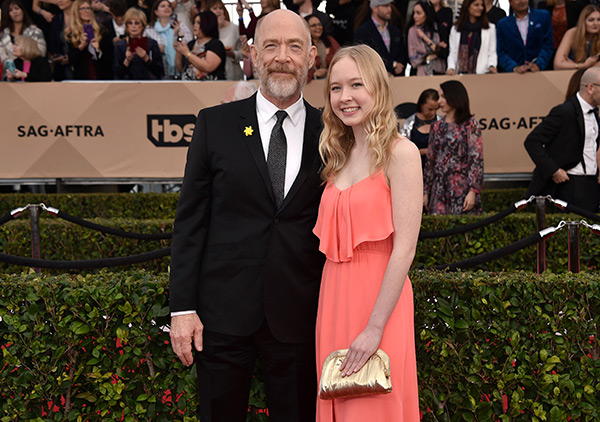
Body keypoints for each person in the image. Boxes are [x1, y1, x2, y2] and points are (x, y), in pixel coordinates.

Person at [169, 9, 324, 422]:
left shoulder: (333, 135)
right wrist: (182, 308)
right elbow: (190, 222)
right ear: (251, 54)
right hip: (221, 316)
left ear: (312, 58)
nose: (282, 56)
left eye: (295, 46)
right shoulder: (214, 125)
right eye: (270, 45)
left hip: (301, 317)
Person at [314, 44, 421, 421]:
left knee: (372, 406)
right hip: (333, 299)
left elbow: (405, 249)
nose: (345, 97)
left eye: (356, 85)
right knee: (338, 400)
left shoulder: (401, 153)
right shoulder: (337, 157)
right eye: (336, 88)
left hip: (379, 304)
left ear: (377, 88)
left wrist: (374, 327)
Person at [524, 67, 600, 212]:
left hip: (591, 186)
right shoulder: (564, 112)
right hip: (569, 185)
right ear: (590, 88)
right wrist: (554, 170)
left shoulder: (595, 115)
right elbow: (532, 141)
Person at [424, 80, 484, 214]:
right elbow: (430, 160)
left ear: (455, 97)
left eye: (443, 97)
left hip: (462, 189)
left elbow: (476, 159)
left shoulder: (470, 125)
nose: (439, 101)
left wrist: (473, 191)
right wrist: (426, 191)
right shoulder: (437, 126)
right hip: (439, 190)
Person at [496, 0, 554, 73]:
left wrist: (538, 65)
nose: (522, 1)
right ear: (510, 2)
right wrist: (514, 68)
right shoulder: (503, 24)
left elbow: (548, 45)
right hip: (514, 75)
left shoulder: (543, 16)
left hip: (540, 72)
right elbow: (501, 52)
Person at [354, 0, 408, 76]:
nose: (390, 9)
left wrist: (399, 66)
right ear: (375, 8)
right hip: (373, 80)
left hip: (398, 80)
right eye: (385, 6)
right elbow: (364, 58)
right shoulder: (362, 32)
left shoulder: (396, 32)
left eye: (390, 6)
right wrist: (393, 64)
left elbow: (403, 55)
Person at [65, 0, 114, 79]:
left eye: (88, 8)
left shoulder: (102, 30)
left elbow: (110, 58)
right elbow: (71, 60)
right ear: (76, 12)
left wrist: (99, 50)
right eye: (83, 8)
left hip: (102, 77)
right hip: (82, 78)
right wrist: (81, 46)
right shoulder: (71, 33)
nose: (87, 11)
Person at [447, 0, 497, 75]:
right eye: (476, 5)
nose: (480, 8)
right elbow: (453, 53)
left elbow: (492, 52)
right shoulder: (455, 29)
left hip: (483, 74)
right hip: (460, 75)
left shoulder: (490, 28)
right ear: (467, 7)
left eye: (482, 5)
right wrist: (451, 68)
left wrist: (492, 65)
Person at [145, 0, 192, 78]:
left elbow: (190, 43)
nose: (167, 8)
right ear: (156, 12)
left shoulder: (180, 25)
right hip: (159, 67)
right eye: (163, 6)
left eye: (169, 6)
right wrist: (156, 48)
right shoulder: (149, 29)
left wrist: (178, 34)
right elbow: (145, 48)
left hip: (180, 65)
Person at [0, 0, 46, 80]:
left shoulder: (36, 31)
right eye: (11, 10)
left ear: (22, 10)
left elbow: (41, 52)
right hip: (9, 76)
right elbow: (2, 56)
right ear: (7, 14)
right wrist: (13, 68)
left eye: (17, 8)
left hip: (33, 74)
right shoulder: (2, 34)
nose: (15, 12)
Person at [113, 7, 164, 79]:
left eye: (137, 23)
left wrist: (146, 58)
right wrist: (127, 61)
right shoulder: (120, 46)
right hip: (127, 87)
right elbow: (117, 75)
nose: (133, 26)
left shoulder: (152, 44)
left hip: (149, 85)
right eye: (130, 23)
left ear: (143, 26)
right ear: (127, 26)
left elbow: (160, 71)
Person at [174, 10, 225, 80]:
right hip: (188, 86)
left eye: (198, 23)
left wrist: (188, 54)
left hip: (210, 87)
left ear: (207, 24)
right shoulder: (191, 44)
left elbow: (208, 67)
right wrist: (179, 51)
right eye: (194, 22)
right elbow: (180, 69)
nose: (195, 25)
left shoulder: (215, 44)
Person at [400, 88, 442, 169]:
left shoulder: (441, 122)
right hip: (414, 166)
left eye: (436, 109)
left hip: (437, 168)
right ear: (421, 105)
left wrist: (428, 151)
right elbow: (402, 147)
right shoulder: (409, 123)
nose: (433, 113)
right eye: (430, 109)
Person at [554, 5, 600, 70]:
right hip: (570, 75)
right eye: (591, 20)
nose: (596, 23)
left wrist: (572, 65)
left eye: (599, 20)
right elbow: (557, 64)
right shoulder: (572, 33)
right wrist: (584, 65)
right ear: (583, 22)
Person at [407, 0, 446, 75]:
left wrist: (425, 38)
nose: (415, 16)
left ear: (426, 14)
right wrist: (432, 56)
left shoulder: (438, 29)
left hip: (438, 72)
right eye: (414, 13)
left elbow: (444, 52)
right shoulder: (412, 31)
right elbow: (414, 59)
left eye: (418, 13)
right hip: (420, 73)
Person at [209, 0, 243, 80]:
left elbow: (244, 54)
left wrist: (233, 54)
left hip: (233, 73)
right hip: (214, 76)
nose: (218, 11)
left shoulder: (234, 28)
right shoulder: (208, 31)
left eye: (221, 8)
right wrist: (216, 28)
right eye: (215, 8)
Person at [305, 13, 340, 81]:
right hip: (309, 86)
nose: (318, 27)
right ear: (307, 28)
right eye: (314, 25)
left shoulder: (330, 40)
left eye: (319, 24)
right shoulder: (303, 45)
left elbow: (341, 59)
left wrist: (327, 72)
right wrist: (314, 74)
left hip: (331, 81)